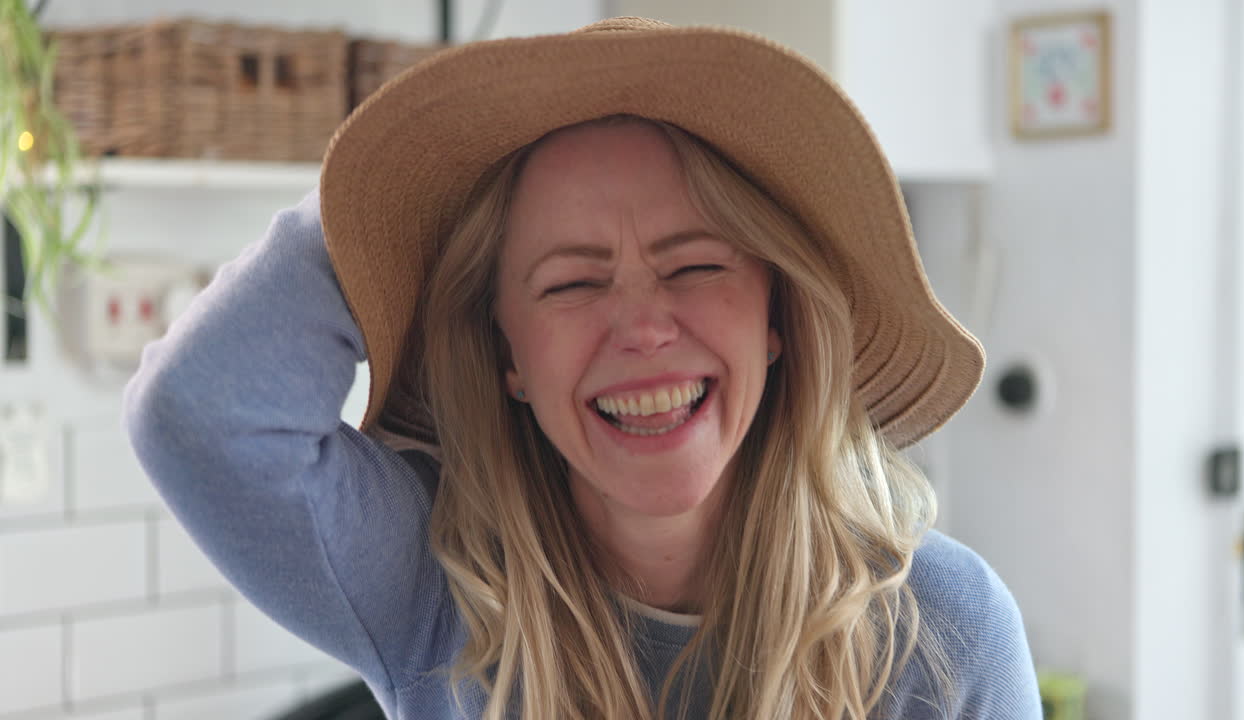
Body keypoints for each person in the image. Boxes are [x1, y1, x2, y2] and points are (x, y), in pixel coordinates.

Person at [124, 16, 1041, 720]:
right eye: (570, 283)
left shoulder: (941, 634)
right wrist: (402, 183)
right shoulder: (436, 585)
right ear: (508, 356)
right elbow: (199, 409)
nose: (642, 328)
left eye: (696, 265)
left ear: (778, 319)